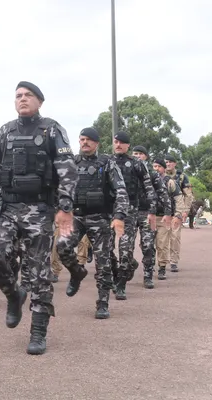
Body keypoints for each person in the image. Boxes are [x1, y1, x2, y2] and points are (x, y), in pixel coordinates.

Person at [0, 81, 78, 355]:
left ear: (40, 101)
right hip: (7, 208)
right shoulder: (5, 131)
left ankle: (38, 331)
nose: (22, 99)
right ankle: (13, 294)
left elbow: (67, 169)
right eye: (18, 96)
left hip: (40, 210)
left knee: (39, 273)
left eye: (28, 95)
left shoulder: (52, 129)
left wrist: (65, 206)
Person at [55, 127, 127, 319]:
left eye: (88, 139)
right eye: (82, 139)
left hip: (100, 218)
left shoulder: (107, 163)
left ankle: (102, 303)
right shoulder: (71, 163)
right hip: (76, 217)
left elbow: (120, 190)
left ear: (96, 143)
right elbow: (59, 188)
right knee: (62, 246)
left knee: (103, 263)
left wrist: (119, 215)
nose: (84, 142)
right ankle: (76, 272)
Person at [107, 132, 158, 300]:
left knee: (125, 249)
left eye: (122, 142)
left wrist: (151, 211)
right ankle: (121, 270)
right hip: (108, 212)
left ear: (128, 145)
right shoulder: (107, 161)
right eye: (116, 142)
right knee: (105, 249)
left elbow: (149, 188)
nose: (119, 145)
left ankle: (121, 284)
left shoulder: (137, 164)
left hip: (129, 212)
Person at [131, 146, 172, 288]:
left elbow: (163, 194)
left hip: (147, 213)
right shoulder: (126, 172)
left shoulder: (152, 174)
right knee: (125, 248)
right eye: (135, 153)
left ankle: (148, 275)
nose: (137, 156)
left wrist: (168, 212)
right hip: (129, 213)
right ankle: (129, 265)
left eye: (140, 154)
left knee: (148, 246)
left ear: (146, 157)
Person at [152, 158, 188, 280]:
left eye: (159, 167)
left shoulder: (171, 182)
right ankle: (149, 266)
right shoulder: (147, 180)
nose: (156, 169)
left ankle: (163, 266)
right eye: (154, 166)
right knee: (146, 244)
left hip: (166, 217)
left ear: (164, 169)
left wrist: (179, 214)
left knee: (163, 243)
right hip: (150, 217)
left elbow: (179, 198)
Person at [164, 154, 194, 272]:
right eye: (166, 162)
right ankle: (162, 261)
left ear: (175, 163)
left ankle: (173, 261)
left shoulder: (182, 177)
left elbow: (188, 195)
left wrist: (185, 211)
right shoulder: (160, 175)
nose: (168, 164)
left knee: (175, 237)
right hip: (163, 212)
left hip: (177, 211)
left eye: (170, 162)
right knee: (162, 237)